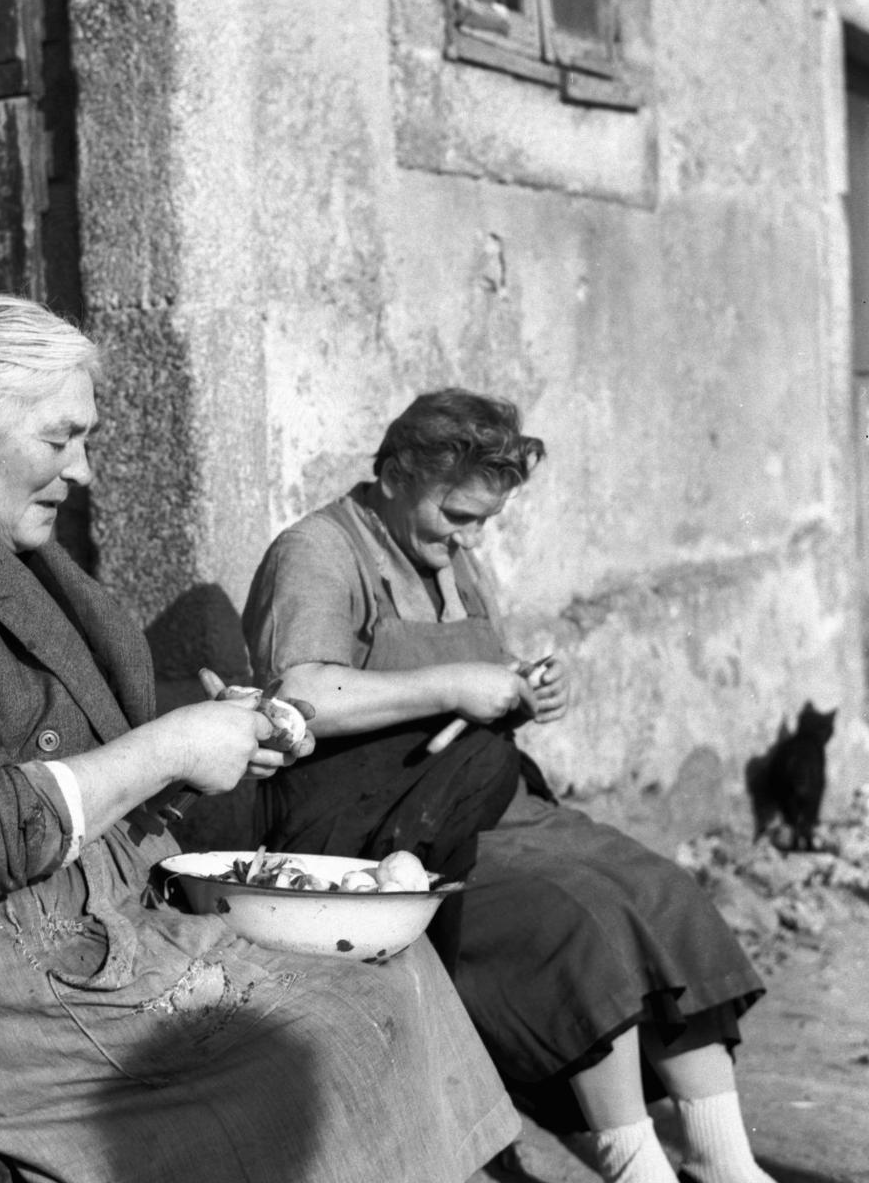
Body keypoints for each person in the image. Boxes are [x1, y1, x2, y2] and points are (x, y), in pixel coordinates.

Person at [0, 297, 520, 1183]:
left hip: (87, 912)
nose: (82, 471)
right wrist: (169, 746)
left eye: (84, 440)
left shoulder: (11, 557)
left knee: (397, 975)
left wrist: (214, 737)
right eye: (59, 439)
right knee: (329, 1044)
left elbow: (56, 757)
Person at [242, 388, 775, 1183]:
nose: (470, 538)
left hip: (488, 798)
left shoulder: (451, 557)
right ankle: (636, 1167)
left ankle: (723, 1161)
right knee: (574, 920)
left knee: (659, 891)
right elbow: (300, 693)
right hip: (381, 827)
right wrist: (454, 683)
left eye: (484, 521)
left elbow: (482, 680)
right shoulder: (318, 551)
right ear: (394, 476)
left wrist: (526, 689)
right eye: (458, 516)